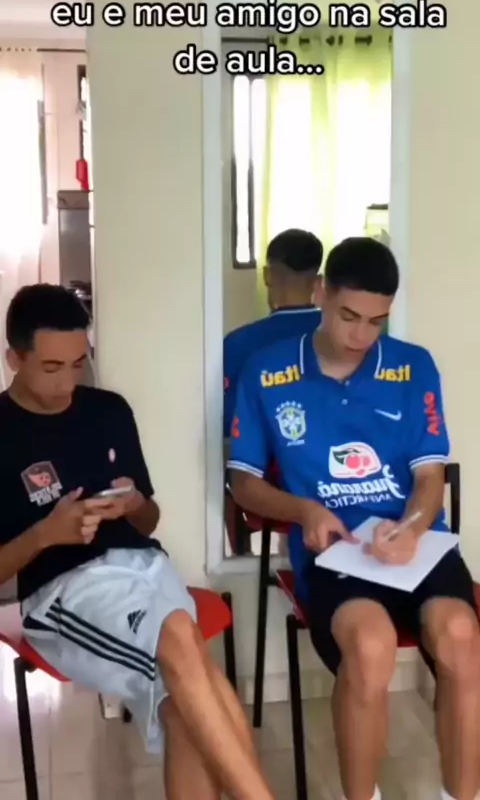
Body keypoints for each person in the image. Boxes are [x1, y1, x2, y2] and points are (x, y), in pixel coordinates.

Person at [0, 284, 277, 800]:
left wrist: (132, 504)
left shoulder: (108, 410)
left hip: (146, 567)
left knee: (185, 706)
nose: (67, 383)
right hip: (64, 591)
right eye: (51, 368)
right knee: (181, 643)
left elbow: (148, 521)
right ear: (14, 357)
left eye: (78, 364)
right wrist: (47, 533)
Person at [229, 237, 480, 800]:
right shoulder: (267, 371)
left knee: (462, 637)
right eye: (348, 316)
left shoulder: (413, 367)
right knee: (370, 645)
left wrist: (412, 528)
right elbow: (244, 483)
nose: (362, 335)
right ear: (321, 292)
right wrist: (303, 510)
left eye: (376, 321)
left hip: (414, 544)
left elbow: (429, 477)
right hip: (335, 550)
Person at [223, 228, 323, 438]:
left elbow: (228, 422)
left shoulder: (238, 344)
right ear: (318, 281)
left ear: (267, 275)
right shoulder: (336, 337)